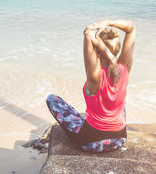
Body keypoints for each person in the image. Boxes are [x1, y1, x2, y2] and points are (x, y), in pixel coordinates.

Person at [46, 19, 136, 153]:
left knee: (52, 99)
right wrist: (107, 22)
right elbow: (131, 28)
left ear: (97, 51)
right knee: (120, 102)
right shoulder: (125, 69)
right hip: (120, 140)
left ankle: (87, 126)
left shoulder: (95, 75)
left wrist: (103, 50)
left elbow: (88, 34)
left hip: (92, 142)